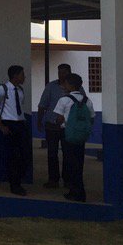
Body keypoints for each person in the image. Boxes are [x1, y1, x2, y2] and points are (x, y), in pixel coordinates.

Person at [51, 73, 94, 202]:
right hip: (81, 135)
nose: (64, 86)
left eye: (65, 83)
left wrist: (58, 123)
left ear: (70, 85)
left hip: (68, 134)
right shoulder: (87, 100)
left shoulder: (64, 100)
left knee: (70, 163)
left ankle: (75, 191)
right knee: (79, 163)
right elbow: (91, 118)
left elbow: (59, 118)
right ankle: (79, 191)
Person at [0, 65, 29, 196]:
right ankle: (15, 184)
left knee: (23, 154)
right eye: (22, 74)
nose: (24, 77)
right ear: (15, 75)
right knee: (13, 156)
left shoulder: (20, 90)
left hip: (20, 123)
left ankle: (18, 180)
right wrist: (1, 125)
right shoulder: (2, 88)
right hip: (9, 123)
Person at [37, 63, 71, 188]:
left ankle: (67, 180)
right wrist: (39, 121)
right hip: (52, 125)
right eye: (59, 72)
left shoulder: (76, 88)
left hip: (68, 127)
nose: (61, 75)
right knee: (52, 153)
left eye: (64, 72)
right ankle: (53, 179)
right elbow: (42, 105)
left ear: (69, 73)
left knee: (68, 154)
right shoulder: (51, 87)